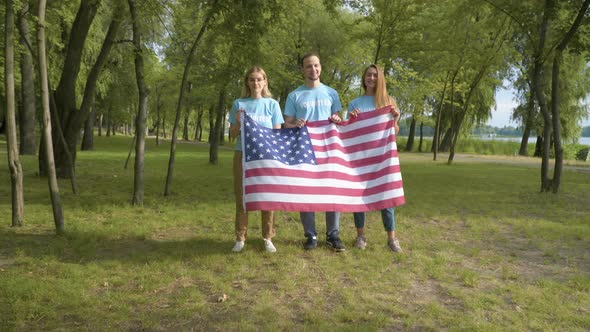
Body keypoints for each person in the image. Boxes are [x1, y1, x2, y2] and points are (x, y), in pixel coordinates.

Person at [284, 53, 345, 252]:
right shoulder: (294, 95)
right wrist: (295, 124)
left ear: (321, 67)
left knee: (332, 190)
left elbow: (338, 118)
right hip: (304, 149)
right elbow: (287, 123)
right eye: (309, 66)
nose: (313, 69)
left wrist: (336, 118)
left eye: (316, 65)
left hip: (329, 149)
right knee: (306, 191)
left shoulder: (331, 93)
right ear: (303, 70)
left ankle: (332, 235)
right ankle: (310, 235)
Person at [347, 64, 403, 252]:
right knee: (358, 197)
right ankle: (360, 236)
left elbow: (394, 132)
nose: (371, 78)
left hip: (382, 158)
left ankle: (392, 239)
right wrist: (352, 118)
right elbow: (349, 131)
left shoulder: (388, 101)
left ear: (380, 79)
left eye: (375, 75)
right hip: (360, 158)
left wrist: (395, 119)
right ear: (364, 78)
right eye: (368, 75)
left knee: (386, 197)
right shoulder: (355, 103)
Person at [228, 66, 284, 253]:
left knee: (267, 197)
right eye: (252, 79)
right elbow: (232, 135)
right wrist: (236, 122)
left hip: (266, 157)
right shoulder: (239, 103)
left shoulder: (272, 104)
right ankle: (240, 238)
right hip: (243, 155)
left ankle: (267, 237)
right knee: (242, 196)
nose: (256, 83)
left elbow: (277, 133)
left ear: (265, 81)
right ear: (247, 82)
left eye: (259, 79)